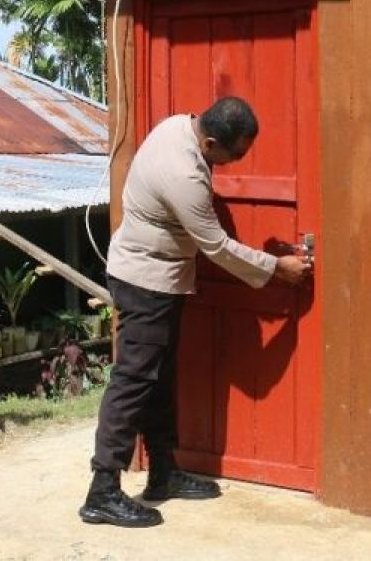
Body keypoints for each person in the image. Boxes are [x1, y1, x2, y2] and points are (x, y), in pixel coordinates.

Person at [80, 96, 312, 528]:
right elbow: (216, 247)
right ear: (209, 141)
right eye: (234, 155)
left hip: (161, 280)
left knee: (158, 378)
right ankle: (102, 490)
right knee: (132, 381)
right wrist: (277, 268)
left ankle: (163, 472)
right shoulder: (184, 173)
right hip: (145, 281)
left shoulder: (176, 125)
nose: (236, 162)